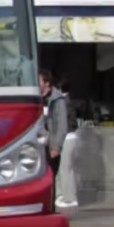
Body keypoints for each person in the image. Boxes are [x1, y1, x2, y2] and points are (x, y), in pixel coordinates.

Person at [39, 70, 68, 205]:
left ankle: (50, 206)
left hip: (50, 145)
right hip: (38, 145)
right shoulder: (37, 98)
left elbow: (62, 125)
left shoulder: (57, 100)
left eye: (39, 80)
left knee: (50, 177)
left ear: (47, 83)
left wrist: (56, 146)